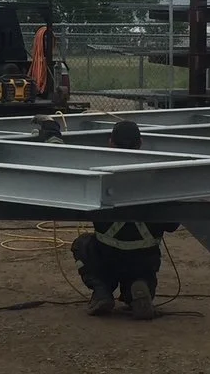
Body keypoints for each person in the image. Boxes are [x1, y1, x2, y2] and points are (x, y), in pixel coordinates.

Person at [70, 120, 177, 320]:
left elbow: (60, 158)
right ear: (141, 143)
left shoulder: (99, 174)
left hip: (106, 257)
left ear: (111, 143)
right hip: (144, 260)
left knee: (81, 245)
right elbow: (172, 225)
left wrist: (50, 130)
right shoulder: (156, 177)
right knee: (142, 271)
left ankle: (102, 291)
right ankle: (138, 288)